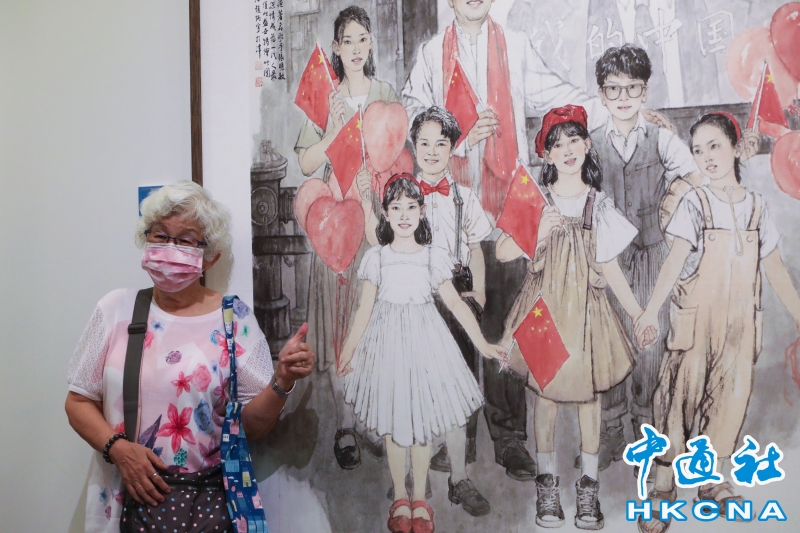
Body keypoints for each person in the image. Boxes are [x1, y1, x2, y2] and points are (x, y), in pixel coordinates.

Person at [402, 0, 673, 481]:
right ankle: (456, 432)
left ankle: (509, 438)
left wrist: (627, 112)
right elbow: (411, 117)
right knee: (454, 322)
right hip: (453, 207)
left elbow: (560, 96)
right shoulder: (430, 54)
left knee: (511, 317)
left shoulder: (516, 45)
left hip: (511, 203)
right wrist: (460, 137)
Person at [65, 181, 314, 533]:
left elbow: (254, 427)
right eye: (160, 235)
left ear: (210, 255)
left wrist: (282, 380)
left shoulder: (234, 319)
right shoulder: (114, 309)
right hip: (120, 504)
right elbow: (78, 402)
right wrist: (117, 449)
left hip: (206, 509)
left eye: (185, 240)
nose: (169, 248)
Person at [634, 112, 800, 533]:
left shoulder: (757, 207)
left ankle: (712, 482)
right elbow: (674, 261)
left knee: (730, 399)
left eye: (715, 146)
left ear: (736, 148)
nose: (706, 156)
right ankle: (663, 486)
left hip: (740, 325)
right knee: (678, 399)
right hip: (695, 322)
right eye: (698, 150)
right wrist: (650, 310)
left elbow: (774, 267)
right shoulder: (695, 202)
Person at [496, 105, 644, 530]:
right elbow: (503, 251)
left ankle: (588, 492)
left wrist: (637, 313)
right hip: (544, 313)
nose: (566, 150)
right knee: (545, 399)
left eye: (574, 140)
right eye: (556, 144)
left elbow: (610, 266)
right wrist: (537, 231)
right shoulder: (537, 201)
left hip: (586, 314)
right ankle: (547, 490)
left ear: (587, 145)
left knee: (587, 399)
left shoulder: (599, 204)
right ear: (546, 154)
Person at [337, 174, 507, 533]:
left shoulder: (432, 257)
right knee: (396, 422)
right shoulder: (376, 259)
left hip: (425, 344)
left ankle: (419, 499)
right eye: (396, 208)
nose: (403, 215)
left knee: (422, 424)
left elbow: (457, 306)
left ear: (421, 212)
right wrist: (349, 349)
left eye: (411, 207)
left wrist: (483, 344)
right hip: (388, 347)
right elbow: (363, 310)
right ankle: (400, 496)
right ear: (385, 214)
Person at [367, 106, 497, 515]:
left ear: (453, 148)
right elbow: (380, 246)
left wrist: (478, 293)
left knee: (455, 392)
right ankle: (409, 479)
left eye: (441, 143)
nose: (432, 151)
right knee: (408, 388)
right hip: (412, 302)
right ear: (413, 146)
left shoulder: (464, 197)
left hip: (455, 296)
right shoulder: (402, 196)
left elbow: (476, 248)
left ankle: (459, 477)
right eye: (423, 143)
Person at [294, 5, 400, 470]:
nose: (356, 48)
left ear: (371, 44)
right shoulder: (328, 96)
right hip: (336, 223)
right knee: (341, 326)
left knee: (375, 322)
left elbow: (397, 156)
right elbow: (305, 162)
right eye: (347, 40)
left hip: (376, 220)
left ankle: (373, 420)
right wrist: (335, 131)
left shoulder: (385, 93)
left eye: (363, 39)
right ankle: (344, 424)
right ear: (336, 48)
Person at [588, 44, 703, 470]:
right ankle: (611, 426)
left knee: (650, 344)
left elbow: (696, 177)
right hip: (610, 257)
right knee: (610, 339)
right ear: (601, 94)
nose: (623, 97)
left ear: (645, 91)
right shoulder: (591, 144)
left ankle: (645, 428)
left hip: (654, 252)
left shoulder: (661, 138)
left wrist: (675, 192)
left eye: (632, 88)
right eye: (613, 89)